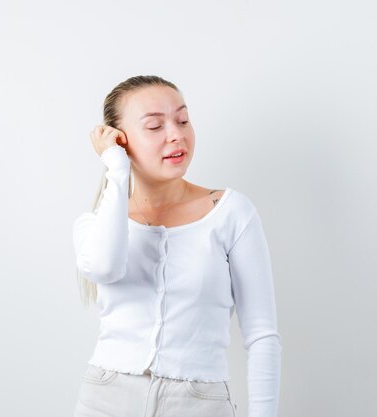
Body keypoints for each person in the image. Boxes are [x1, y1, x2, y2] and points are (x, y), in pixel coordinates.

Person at [71, 75, 282, 417]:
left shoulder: (230, 213)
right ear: (120, 141)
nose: (176, 134)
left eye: (183, 120)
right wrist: (116, 167)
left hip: (199, 403)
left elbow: (262, 337)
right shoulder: (95, 225)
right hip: (103, 400)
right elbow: (106, 267)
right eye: (155, 126)